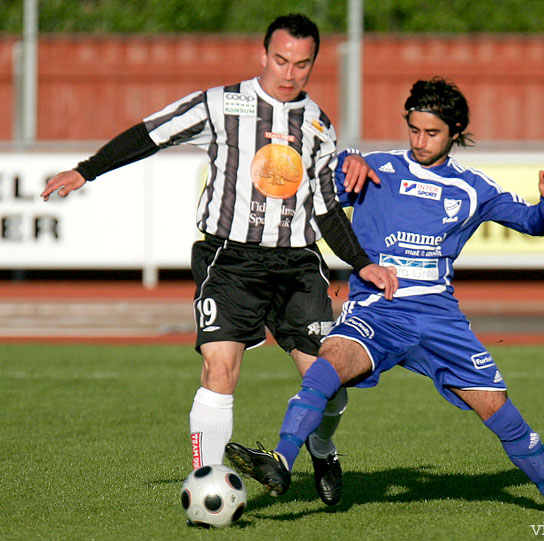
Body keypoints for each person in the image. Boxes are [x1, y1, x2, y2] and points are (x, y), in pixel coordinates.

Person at [40, 13, 398, 508]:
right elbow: (152, 133)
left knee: (328, 380)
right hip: (229, 261)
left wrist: (360, 262)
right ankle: (207, 484)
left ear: (314, 63)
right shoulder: (220, 104)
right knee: (218, 369)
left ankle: (322, 446)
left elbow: (326, 207)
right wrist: (88, 171)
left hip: (297, 266)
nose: (289, 73)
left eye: (301, 64)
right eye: (280, 60)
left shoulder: (317, 123)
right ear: (262, 54)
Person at [225, 77, 544, 515]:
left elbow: (532, 221)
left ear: (456, 130)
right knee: (327, 366)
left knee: (501, 413)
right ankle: (282, 460)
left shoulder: (474, 188)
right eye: (413, 130)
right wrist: (341, 164)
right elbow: (310, 195)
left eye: (431, 132)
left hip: (440, 319)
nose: (420, 141)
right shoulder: (375, 168)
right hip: (379, 311)